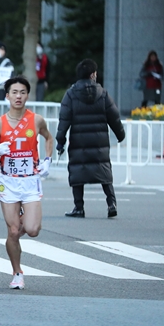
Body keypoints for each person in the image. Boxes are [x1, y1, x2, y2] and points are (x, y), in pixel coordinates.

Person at [0, 76, 54, 290]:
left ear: (27, 95)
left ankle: (23, 221)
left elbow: (49, 138)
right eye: (14, 92)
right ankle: (17, 272)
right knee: (13, 231)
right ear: (7, 96)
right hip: (8, 182)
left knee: (32, 230)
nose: (18, 96)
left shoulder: (36, 120)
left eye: (22, 92)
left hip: (30, 181)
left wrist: (48, 160)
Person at [56, 59, 125, 218]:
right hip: (99, 141)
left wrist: (61, 141)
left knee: (77, 171)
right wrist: (120, 135)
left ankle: (79, 208)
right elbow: (114, 117)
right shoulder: (103, 94)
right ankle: (111, 203)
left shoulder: (71, 94)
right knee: (104, 171)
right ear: (93, 74)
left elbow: (64, 120)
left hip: (79, 142)